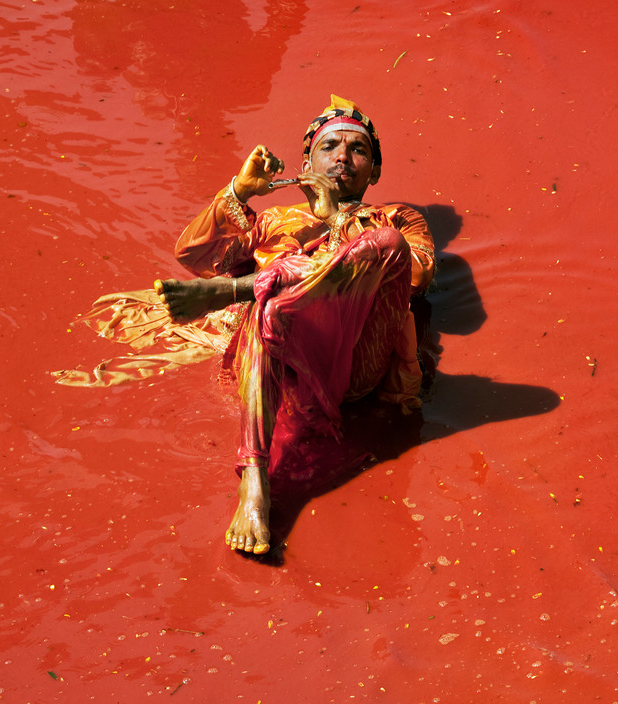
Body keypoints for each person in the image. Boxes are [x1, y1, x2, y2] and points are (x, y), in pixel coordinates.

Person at [155, 95, 436, 555]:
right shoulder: (274, 220)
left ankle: (240, 288)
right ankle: (254, 481)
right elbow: (193, 255)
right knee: (269, 308)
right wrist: (239, 191)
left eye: (358, 150)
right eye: (329, 147)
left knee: (386, 244)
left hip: (357, 368)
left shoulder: (399, 219)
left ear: (375, 172)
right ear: (307, 164)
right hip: (282, 372)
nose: (342, 157)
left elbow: (418, 277)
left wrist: (336, 217)